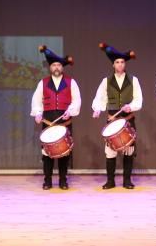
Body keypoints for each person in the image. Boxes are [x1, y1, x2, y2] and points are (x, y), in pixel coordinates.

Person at [92, 43, 142, 189]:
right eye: (117, 62)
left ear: (125, 64)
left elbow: (138, 99)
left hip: (127, 119)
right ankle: (110, 181)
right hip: (112, 119)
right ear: (113, 65)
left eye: (122, 62)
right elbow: (99, 98)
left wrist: (131, 106)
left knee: (128, 150)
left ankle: (127, 181)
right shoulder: (106, 81)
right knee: (110, 151)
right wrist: (97, 109)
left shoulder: (134, 80)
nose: (120, 65)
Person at [30, 45, 81, 190]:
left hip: (64, 122)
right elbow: (36, 100)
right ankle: (47, 181)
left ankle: (63, 180)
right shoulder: (43, 82)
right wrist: (38, 113)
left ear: (62, 67)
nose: (56, 67)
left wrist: (70, 111)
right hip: (48, 122)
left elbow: (77, 100)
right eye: (54, 65)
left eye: (59, 64)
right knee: (47, 153)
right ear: (50, 67)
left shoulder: (71, 82)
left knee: (64, 153)